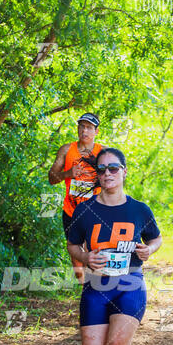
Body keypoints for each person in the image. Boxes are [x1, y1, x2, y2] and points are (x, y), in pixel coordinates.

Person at [67, 148, 162, 345]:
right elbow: (73, 246)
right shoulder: (84, 210)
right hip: (96, 287)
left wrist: (148, 250)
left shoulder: (139, 210)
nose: (107, 173)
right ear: (97, 174)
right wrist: (85, 258)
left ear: (124, 171)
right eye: (102, 169)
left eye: (113, 168)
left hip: (130, 285)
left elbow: (155, 239)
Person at [48, 113, 105, 282]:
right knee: (75, 252)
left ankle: (94, 284)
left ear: (96, 131)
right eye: (82, 126)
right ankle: (83, 286)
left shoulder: (103, 152)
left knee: (93, 248)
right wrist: (68, 173)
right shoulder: (67, 150)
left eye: (89, 127)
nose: (84, 130)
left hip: (94, 209)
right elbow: (51, 178)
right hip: (71, 210)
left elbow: (112, 179)